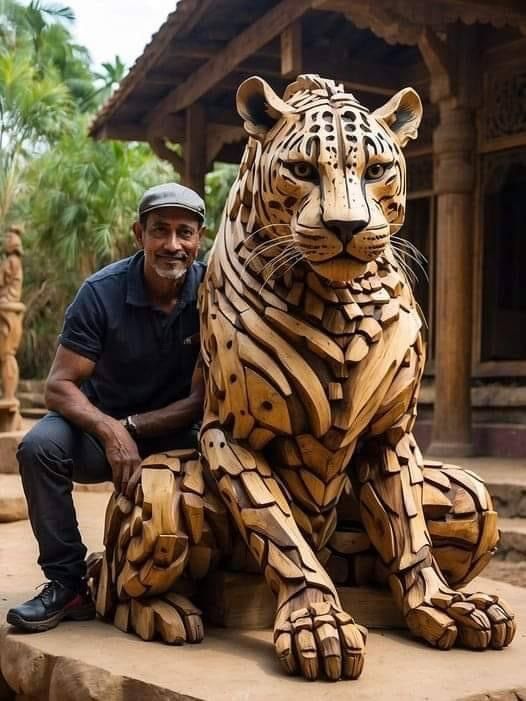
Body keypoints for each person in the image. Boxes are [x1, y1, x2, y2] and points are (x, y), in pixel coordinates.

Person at [7, 183, 206, 632]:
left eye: (184, 233)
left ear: (200, 238)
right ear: (139, 234)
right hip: (99, 435)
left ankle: (207, 580)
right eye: (159, 231)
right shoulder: (101, 292)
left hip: (180, 434)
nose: (172, 245)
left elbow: (201, 400)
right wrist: (111, 431)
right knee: (39, 447)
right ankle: (67, 584)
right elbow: (60, 386)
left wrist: (132, 427)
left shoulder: (216, 293)